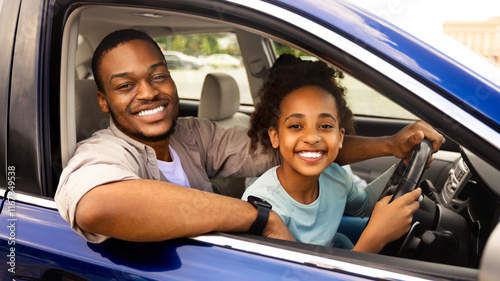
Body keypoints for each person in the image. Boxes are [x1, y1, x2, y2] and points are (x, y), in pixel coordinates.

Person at [55, 29, 444, 244]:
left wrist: (391, 146)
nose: (148, 93)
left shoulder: (192, 135)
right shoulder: (103, 151)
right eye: (125, 86)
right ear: (103, 102)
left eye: (158, 76)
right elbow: (95, 205)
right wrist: (260, 217)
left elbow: (298, 148)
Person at [242, 54, 421, 253]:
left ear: (340, 136)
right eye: (295, 126)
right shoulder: (264, 206)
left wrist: (403, 166)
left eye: (325, 125)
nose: (312, 137)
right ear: (275, 137)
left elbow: (364, 206)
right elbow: (301, 277)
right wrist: (377, 236)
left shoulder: (335, 176)